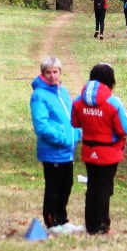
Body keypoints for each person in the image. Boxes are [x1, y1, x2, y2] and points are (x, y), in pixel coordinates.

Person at [71, 63, 127, 235]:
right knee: (104, 189)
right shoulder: (113, 102)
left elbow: (75, 123)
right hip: (109, 152)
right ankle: (103, 226)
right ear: (110, 80)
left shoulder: (78, 100)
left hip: (89, 151)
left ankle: (90, 226)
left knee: (92, 187)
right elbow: (123, 129)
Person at [29, 58, 83, 235]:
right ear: (43, 74)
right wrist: (63, 138)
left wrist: (77, 134)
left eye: (55, 72)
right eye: (48, 72)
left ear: (60, 72)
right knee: (53, 188)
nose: (52, 76)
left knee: (66, 184)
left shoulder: (63, 91)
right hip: (53, 151)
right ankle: (52, 224)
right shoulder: (39, 95)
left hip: (67, 151)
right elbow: (41, 125)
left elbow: (70, 118)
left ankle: (62, 219)